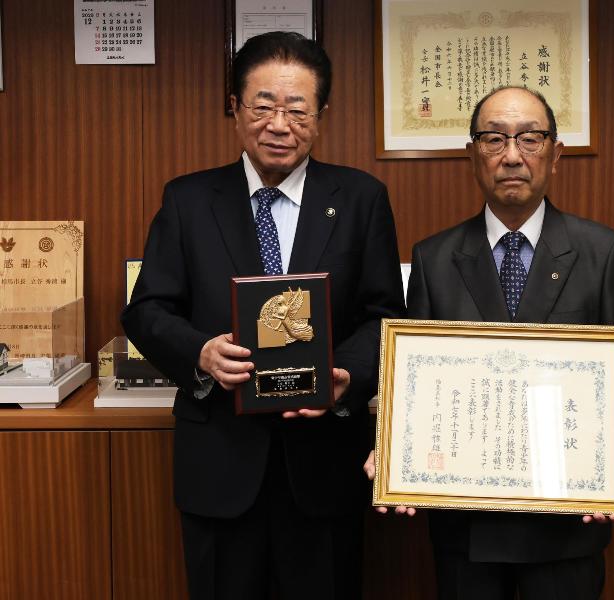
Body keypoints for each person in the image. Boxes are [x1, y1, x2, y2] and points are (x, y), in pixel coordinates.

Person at [122, 31, 405, 600]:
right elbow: (146, 310)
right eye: (264, 106)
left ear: (321, 115)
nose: (280, 124)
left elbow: (385, 317)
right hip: (220, 461)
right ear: (235, 108)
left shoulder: (360, 198)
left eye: (298, 109)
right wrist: (199, 352)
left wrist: (345, 377)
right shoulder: (188, 200)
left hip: (324, 464)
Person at [365, 87, 614, 600]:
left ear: (555, 152)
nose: (512, 155)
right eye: (495, 139)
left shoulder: (603, 253)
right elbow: (416, 386)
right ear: (472, 154)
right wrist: (393, 451)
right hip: (467, 527)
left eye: (530, 138)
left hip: (567, 521)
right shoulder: (434, 259)